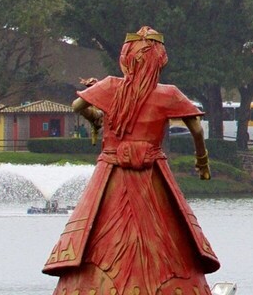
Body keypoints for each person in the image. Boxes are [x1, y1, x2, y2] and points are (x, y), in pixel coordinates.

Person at [45, 27, 220, 293]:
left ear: (126, 57)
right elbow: (196, 130)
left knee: (103, 233)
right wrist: (202, 162)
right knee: (163, 236)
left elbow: (77, 106)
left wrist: (96, 120)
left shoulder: (110, 86)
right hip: (152, 177)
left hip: (112, 173)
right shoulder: (168, 94)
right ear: (160, 60)